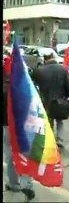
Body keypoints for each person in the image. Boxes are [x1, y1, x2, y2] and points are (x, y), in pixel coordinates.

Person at [3, 58, 35, 201]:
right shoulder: (22, 84)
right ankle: (26, 183)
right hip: (23, 124)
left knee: (10, 155)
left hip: (7, 125)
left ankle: (13, 183)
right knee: (24, 154)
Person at [33, 53, 69, 148]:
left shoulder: (39, 71)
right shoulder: (63, 69)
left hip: (45, 100)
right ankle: (60, 139)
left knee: (48, 120)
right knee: (59, 120)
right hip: (60, 99)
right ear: (53, 57)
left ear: (44, 59)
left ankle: (49, 138)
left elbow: (34, 85)